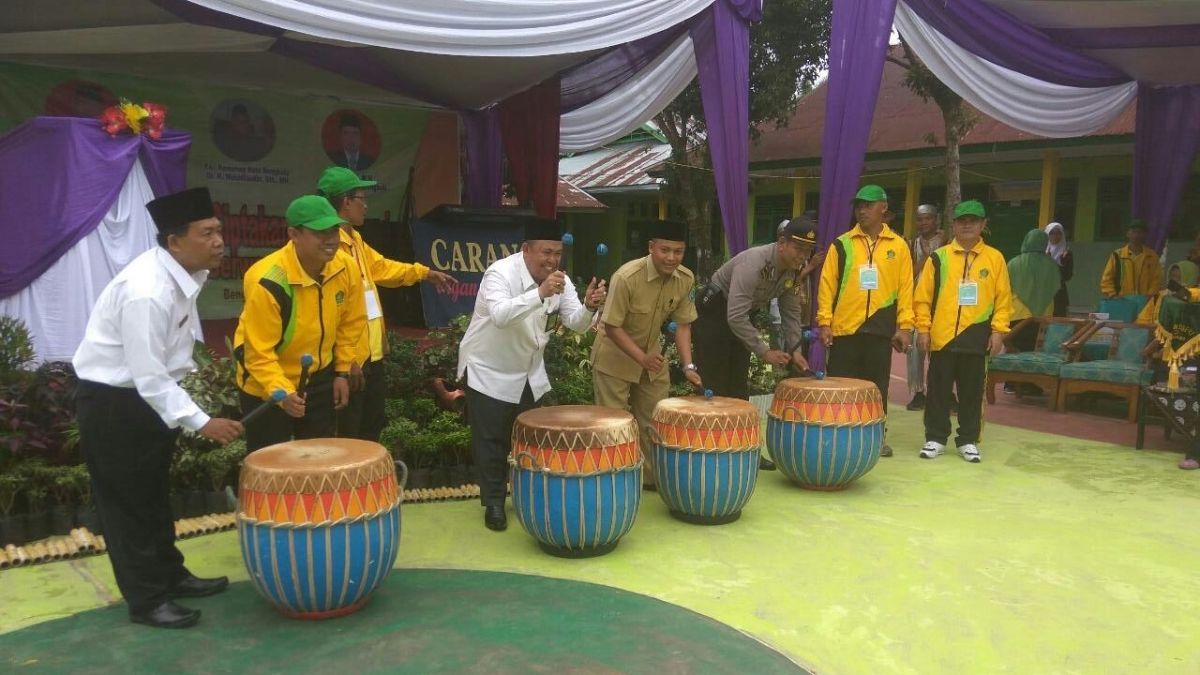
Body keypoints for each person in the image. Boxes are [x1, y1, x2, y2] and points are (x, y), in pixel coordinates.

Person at [73, 187, 242, 629]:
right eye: (206, 233)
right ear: (174, 242)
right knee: (127, 505)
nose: (219, 241)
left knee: (152, 496)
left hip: (146, 402)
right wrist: (202, 422)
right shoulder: (147, 290)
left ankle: (170, 575)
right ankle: (147, 600)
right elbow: (149, 375)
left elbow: (163, 371)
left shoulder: (183, 277)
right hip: (116, 406)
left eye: (218, 230)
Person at [457, 218, 607, 531]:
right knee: (491, 441)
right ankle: (494, 504)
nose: (552, 260)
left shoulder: (558, 280)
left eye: (557, 254)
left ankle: (525, 497)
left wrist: (590, 306)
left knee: (526, 438)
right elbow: (499, 315)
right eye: (546, 252)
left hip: (526, 370)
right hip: (488, 368)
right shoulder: (499, 273)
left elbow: (576, 322)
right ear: (526, 250)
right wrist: (539, 293)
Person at [317, 167, 455, 442]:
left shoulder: (355, 240)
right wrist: (345, 364)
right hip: (352, 359)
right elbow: (332, 312)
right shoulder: (331, 248)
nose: (366, 204)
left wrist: (424, 273)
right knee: (349, 432)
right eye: (361, 198)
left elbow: (382, 268)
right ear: (345, 201)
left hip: (372, 354)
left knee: (371, 426)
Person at [232, 195, 367, 452]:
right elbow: (258, 354)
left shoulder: (346, 267)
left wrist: (341, 371)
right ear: (294, 234)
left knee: (319, 458)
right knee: (271, 464)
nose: (331, 240)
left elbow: (351, 323)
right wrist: (282, 393)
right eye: (320, 232)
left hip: (319, 377)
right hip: (267, 385)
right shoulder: (267, 280)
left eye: (334, 230)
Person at [694, 218, 823, 469]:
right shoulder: (755, 262)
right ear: (782, 243)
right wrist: (765, 351)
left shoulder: (792, 268)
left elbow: (790, 312)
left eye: (808, 250)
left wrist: (794, 350)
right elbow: (734, 315)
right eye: (798, 248)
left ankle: (744, 450)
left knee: (738, 387)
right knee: (714, 384)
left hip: (741, 315)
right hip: (714, 313)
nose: (803, 256)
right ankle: (711, 453)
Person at [591, 220, 702, 490]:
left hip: (652, 360)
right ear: (651, 247)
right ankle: (614, 483)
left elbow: (684, 324)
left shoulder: (686, 278)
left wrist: (688, 365)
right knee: (614, 425)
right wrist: (641, 358)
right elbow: (612, 326)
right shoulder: (626, 277)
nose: (671, 257)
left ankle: (649, 481)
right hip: (614, 357)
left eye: (678, 251)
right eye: (665, 250)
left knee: (653, 422)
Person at [815, 185, 914, 457]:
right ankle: (838, 436)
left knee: (875, 388)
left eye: (868, 205)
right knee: (841, 387)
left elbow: (906, 288)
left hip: (880, 330)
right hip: (845, 329)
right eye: (858, 205)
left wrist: (904, 327)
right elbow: (827, 286)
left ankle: (874, 439)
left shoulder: (899, 246)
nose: (862, 210)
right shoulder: (842, 244)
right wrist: (825, 322)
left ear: (883, 207)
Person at [915, 200, 1013, 463]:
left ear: (983, 225)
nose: (967, 225)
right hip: (943, 337)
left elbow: (1003, 300)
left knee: (971, 392)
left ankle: (968, 439)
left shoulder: (995, 259)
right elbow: (923, 298)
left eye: (973, 220)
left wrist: (998, 331)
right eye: (962, 220)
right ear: (954, 225)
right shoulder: (939, 258)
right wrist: (923, 329)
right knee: (938, 391)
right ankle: (935, 437)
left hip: (977, 336)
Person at [905, 204, 946, 411]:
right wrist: (925, 259)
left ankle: (943, 394)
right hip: (917, 302)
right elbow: (908, 274)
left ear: (936, 220)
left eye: (927, 219)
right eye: (920, 219)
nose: (923, 223)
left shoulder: (946, 240)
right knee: (914, 350)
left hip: (941, 302)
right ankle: (918, 392)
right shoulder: (912, 244)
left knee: (940, 349)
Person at [1100, 222, 1161, 300]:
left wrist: (1150, 295)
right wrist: (1113, 295)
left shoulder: (1152, 256)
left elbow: (1156, 280)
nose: (1136, 235)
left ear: (1145, 235)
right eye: (1133, 231)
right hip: (1122, 301)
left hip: (1145, 301)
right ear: (1127, 234)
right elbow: (1107, 279)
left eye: (1139, 232)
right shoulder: (1117, 255)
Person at [1044, 222, 1073, 317]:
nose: (1055, 236)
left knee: (1058, 318)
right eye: (1052, 233)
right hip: (1043, 290)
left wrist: (1062, 261)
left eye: (1058, 233)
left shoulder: (1066, 253)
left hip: (1059, 292)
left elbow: (1068, 275)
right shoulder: (1041, 251)